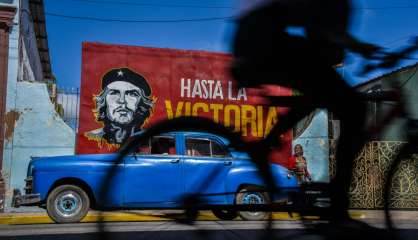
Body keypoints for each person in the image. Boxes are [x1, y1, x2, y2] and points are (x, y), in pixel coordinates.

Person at [231, 0, 382, 221]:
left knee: (317, 92)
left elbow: (322, 39)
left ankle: (267, 143)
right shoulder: (337, 6)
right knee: (353, 107)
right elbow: (325, 33)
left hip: (254, 40)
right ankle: (338, 206)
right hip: (262, 42)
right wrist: (361, 47)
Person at [85, 67, 155, 145]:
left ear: (142, 103)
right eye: (114, 93)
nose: (122, 101)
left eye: (131, 94)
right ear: (103, 101)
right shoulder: (90, 137)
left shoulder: (151, 140)